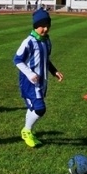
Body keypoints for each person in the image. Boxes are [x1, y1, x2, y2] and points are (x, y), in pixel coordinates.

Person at [14, 8, 64, 148]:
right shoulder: (29, 42)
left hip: (42, 81)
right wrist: (29, 74)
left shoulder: (46, 41)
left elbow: (45, 60)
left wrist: (54, 71)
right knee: (40, 108)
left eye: (48, 26)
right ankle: (27, 131)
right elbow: (17, 60)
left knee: (35, 108)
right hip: (29, 83)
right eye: (43, 26)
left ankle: (27, 131)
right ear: (36, 26)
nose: (46, 29)